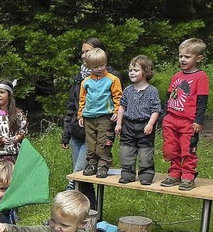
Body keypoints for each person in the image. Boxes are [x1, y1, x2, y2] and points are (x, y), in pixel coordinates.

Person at [62, 38, 114, 208]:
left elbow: (116, 105)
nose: (83, 55)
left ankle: (64, 210)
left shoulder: (110, 77)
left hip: (94, 134)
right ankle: (93, 213)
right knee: (84, 180)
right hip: (77, 133)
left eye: (87, 51)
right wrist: (66, 134)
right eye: (82, 52)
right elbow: (72, 107)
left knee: (76, 177)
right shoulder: (80, 78)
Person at [161, 38, 209, 191]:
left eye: (187, 57)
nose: (182, 59)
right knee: (170, 148)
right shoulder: (176, 76)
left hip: (188, 122)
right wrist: (164, 116)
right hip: (171, 119)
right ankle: (174, 173)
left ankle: (188, 176)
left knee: (187, 149)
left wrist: (198, 121)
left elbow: (202, 101)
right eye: (181, 56)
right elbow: (169, 96)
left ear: (198, 58)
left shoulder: (200, 77)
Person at [114, 55, 162, 185]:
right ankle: (127, 173)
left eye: (135, 70)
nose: (131, 73)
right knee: (126, 151)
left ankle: (146, 174)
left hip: (144, 125)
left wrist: (150, 124)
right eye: (130, 70)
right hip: (129, 125)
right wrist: (119, 123)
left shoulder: (152, 91)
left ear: (146, 72)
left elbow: (156, 110)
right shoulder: (128, 90)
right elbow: (122, 107)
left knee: (145, 152)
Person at [78, 47, 122, 179]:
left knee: (103, 142)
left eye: (102, 65)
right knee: (91, 143)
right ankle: (92, 164)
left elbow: (118, 97)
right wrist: (80, 114)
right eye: (95, 66)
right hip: (89, 117)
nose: (99, 68)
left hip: (105, 117)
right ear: (89, 66)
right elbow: (82, 99)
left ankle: (103, 165)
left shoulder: (112, 79)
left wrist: (116, 110)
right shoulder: (86, 82)